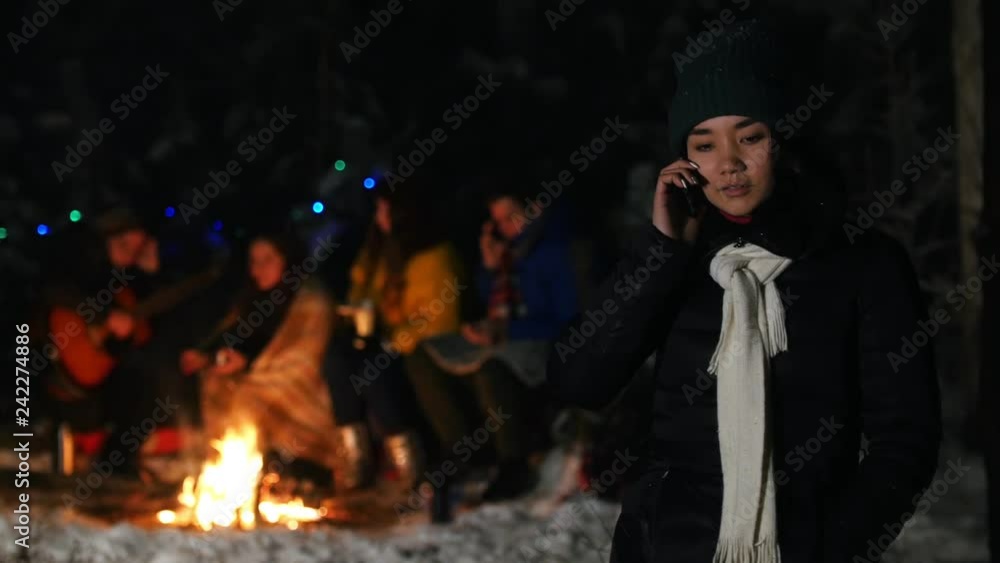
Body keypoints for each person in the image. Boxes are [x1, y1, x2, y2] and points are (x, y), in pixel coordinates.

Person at [546, 20, 941, 563]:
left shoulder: (864, 265)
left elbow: (906, 444)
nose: (728, 162)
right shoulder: (675, 260)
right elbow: (579, 379)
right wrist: (661, 252)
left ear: (785, 138)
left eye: (750, 137)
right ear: (684, 161)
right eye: (704, 144)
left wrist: (831, 544)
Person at [407, 185, 579, 500]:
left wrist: (506, 330)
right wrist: (489, 268)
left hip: (540, 343)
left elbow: (568, 320)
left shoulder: (556, 251)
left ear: (535, 209)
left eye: (510, 217)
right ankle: (460, 450)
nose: (504, 228)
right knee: (423, 355)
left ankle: (516, 462)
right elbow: (491, 302)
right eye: (498, 222)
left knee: (492, 368)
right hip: (503, 335)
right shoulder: (507, 253)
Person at [323, 186, 463, 491]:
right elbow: (363, 293)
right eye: (379, 211)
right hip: (380, 338)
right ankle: (356, 456)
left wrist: (393, 338)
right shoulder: (378, 253)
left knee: (375, 370)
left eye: (387, 211)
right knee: (337, 358)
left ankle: (409, 459)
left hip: (417, 346)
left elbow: (438, 319)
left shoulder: (432, 257)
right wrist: (356, 312)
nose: (380, 218)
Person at [180, 233, 340, 478]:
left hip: (296, 384)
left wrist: (249, 364)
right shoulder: (252, 298)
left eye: (268, 260)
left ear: (288, 260)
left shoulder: (310, 298)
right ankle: (229, 469)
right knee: (215, 383)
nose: (259, 269)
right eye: (254, 261)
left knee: (248, 398)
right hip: (255, 375)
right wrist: (210, 357)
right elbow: (233, 337)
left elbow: (304, 357)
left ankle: (297, 464)